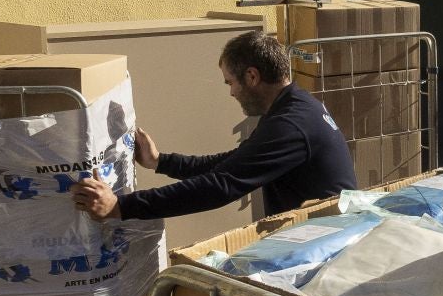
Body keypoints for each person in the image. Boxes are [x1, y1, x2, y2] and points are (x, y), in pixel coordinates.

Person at [71, 29, 357, 222]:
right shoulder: (295, 106)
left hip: (327, 246)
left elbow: (222, 185)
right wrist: (160, 161)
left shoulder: (291, 125)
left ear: (252, 77)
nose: (231, 93)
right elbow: (233, 163)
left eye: (230, 83)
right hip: (321, 236)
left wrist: (120, 207)